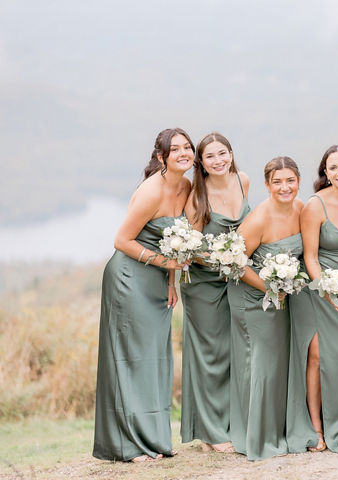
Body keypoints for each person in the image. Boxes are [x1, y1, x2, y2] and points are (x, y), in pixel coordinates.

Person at [93, 128, 194, 462]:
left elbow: (173, 239)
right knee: (131, 359)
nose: (183, 153)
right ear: (162, 157)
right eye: (174, 149)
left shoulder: (187, 187)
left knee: (154, 360)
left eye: (187, 147)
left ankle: (153, 439)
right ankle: (129, 445)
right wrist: (168, 263)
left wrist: (170, 281)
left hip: (156, 282)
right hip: (128, 278)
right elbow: (121, 240)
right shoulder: (152, 192)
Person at [287, 145, 338, 453]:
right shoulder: (315, 205)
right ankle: (317, 428)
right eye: (333, 167)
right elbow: (309, 257)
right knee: (319, 356)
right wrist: (328, 291)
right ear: (325, 172)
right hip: (319, 289)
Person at [228, 157, 303, 461]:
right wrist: (270, 288)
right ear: (267, 185)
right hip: (252, 298)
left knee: (277, 364)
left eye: (290, 181)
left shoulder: (300, 210)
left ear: (298, 180)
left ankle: (280, 429)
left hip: (281, 298)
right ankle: (259, 438)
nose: (284, 187)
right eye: (277, 182)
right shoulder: (259, 218)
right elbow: (234, 262)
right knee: (261, 364)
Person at [180, 132, 250, 453]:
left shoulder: (243, 181)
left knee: (233, 352)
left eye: (223, 154)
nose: (218, 161)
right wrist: (220, 258)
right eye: (210, 157)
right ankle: (212, 432)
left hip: (235, 280)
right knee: (211, 355)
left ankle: (227, 423)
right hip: (203, 283)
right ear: (202, 163)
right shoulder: (197, 197)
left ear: (232, 154)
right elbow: (189, 249)